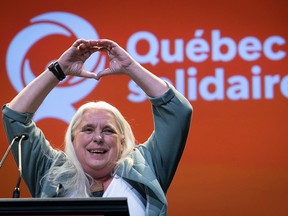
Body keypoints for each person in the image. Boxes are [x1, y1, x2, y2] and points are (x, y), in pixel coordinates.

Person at [2, 39, 192, 215]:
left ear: (122, 140)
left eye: (108, 130)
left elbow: (177, 112)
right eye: (88, 129)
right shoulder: (50, 172)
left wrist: (130, 67)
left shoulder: (147, 166)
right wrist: (59, 70)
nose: (98, 138)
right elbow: (15, 117)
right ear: (73, 138)